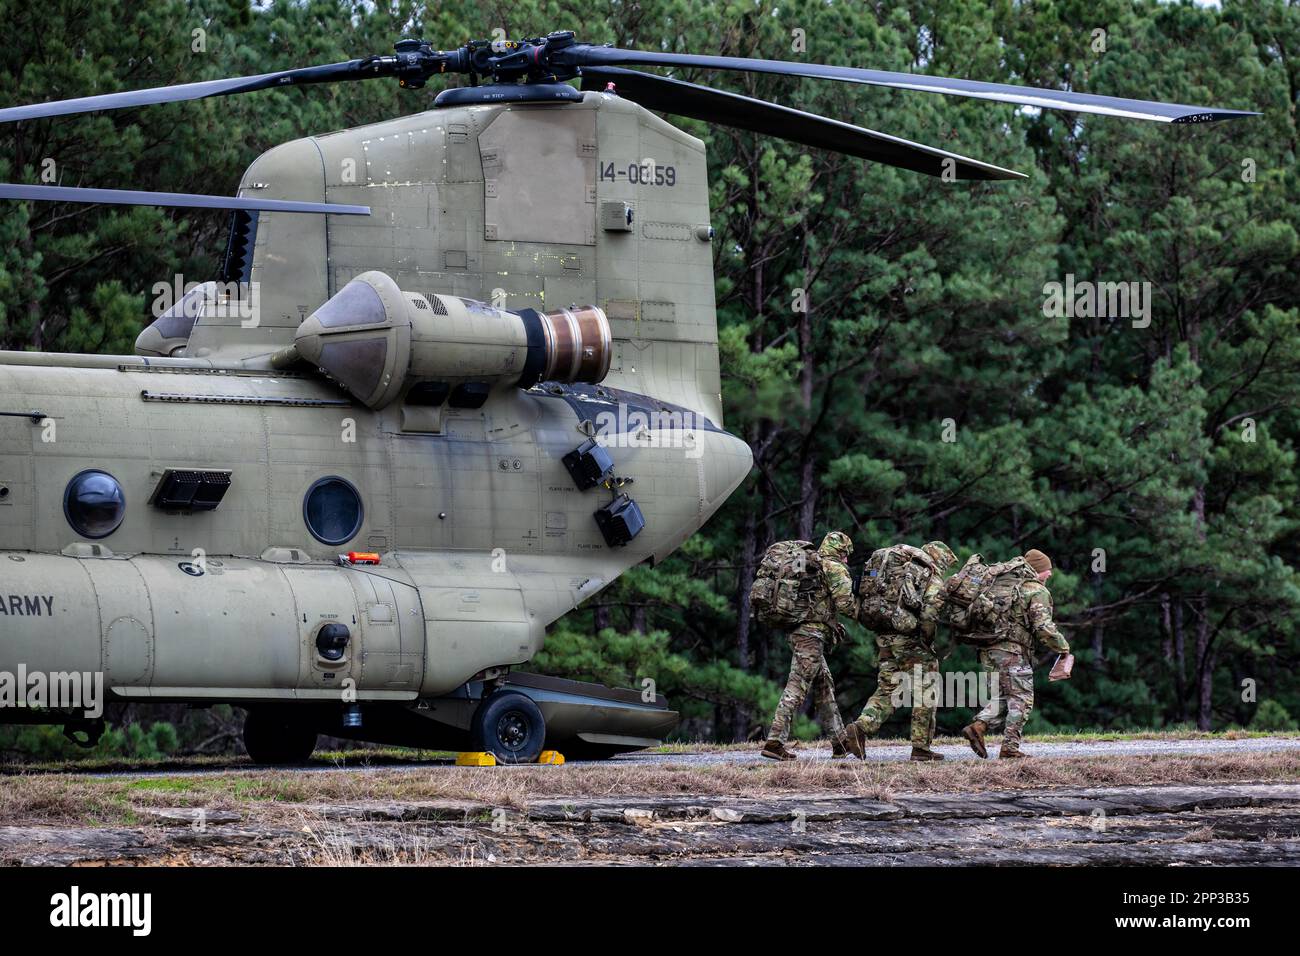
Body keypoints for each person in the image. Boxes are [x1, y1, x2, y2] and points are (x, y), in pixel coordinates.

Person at [837, 541, 956, 762]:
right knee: (926, 689)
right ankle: (921, 748)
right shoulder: (930, 575)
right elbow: (930, 613)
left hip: (884, 634)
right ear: (939, 559)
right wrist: (926, 640)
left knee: (889, 687)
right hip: (910, 639)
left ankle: (861, 727)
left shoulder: (901, 569)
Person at [961, 548, 1070, 759]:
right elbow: (1043, 627)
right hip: (1011, 652)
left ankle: (978, 726)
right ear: (1038, 570)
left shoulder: (1001, 586)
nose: (1050, 574)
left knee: (1005, 697)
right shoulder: (1035, 590)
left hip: (988, 650)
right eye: (1047, 570)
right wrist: (1063, 647)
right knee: (1022, 699)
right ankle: (1010, 748)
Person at [760, 531, 857, 761]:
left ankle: (840, 742)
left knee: (824, 687)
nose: (846, 560)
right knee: (797, 686)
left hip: (800, 633)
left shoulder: (814, 565)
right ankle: (775, 741)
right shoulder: (833, 568)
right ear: (840, 552)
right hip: (811, 636)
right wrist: (872, 616)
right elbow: (846, 603)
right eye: (846, 554)